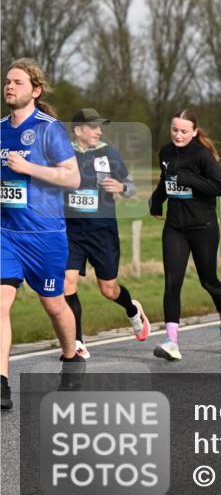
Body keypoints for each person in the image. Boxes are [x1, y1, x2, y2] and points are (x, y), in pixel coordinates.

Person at [1, 58, 83, 410]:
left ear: (35, 90)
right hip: (6, 233)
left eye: (17, 82)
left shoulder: (50, 129)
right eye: (7, 81)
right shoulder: (0, 128)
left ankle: (71, 355)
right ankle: (2, 381)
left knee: (53, 304)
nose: (9, 86)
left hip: (46, 234)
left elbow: (73, 178)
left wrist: (29, 167)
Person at [149, 110, 221, 360]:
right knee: (172, 282)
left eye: (184, 131)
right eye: (175, 130)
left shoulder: (202, 155)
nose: (178, 135)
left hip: (202, 226)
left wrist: (191, 179)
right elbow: (166, 180)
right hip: (175, 227)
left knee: (208, 281)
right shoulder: (165, 152)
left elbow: (220, 187)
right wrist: (157, 201)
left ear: (194, 131)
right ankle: (171, 341)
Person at [64, 108, 149, 359]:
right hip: (72, 231)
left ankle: (133, 309)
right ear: (78, 130)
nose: (99, 131)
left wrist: (122, 187)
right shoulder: (64, 153)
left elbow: (132, 187)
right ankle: (77, 342)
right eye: (93, 127)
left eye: (100, 127)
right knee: (67, 283)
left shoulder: (109, 153)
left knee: (108, 290)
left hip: (102, 232)